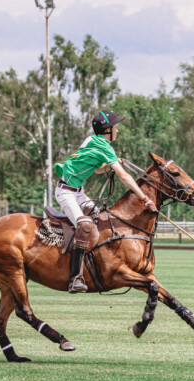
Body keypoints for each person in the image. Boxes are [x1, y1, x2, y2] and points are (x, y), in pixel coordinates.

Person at [54, 110, 157, 293]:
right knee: (84, 225)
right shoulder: (104, 146)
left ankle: (100, 264)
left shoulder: (93, 140)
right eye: (115, 127)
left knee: (100, 218)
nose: (118, 130)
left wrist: (110, 165)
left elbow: (97, 170)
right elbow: (124, 177)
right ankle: (75, 278)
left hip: (79, 192)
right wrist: (144, 197)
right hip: (66, 193)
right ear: (107, 129)